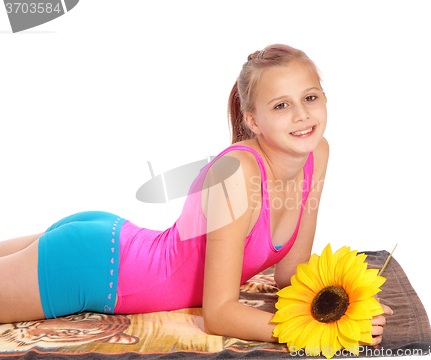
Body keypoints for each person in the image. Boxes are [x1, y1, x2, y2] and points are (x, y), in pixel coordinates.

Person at [0, 44, 391, 345]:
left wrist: (346, 308)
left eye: (310, 97)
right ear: (252, 120)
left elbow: (290, 272)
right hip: (97, 270)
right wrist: (315, 332)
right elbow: (219, 313)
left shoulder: (317, 153)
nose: (303, 115)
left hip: (116, 237)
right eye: (281, 105)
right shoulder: (237, 175)